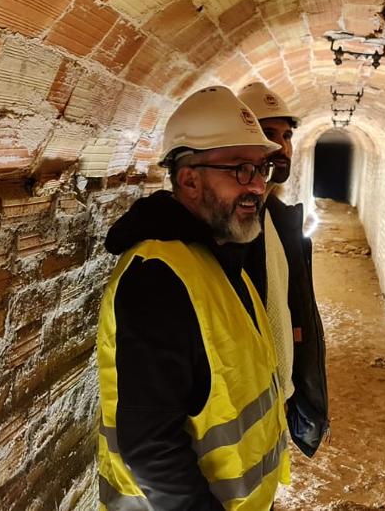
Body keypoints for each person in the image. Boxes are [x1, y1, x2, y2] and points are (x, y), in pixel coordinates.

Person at [98, 86, 289, 511]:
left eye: (260, 169)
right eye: (240, 170)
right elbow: (150, 446)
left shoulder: (216, 253)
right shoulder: (157, 277)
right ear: (189, 180)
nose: (258, 186)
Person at [237, 82, 329, 457]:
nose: (282, 147)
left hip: (276, 399)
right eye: (268, 134)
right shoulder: (234, 225)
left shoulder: (276, 216)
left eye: (287, 136)